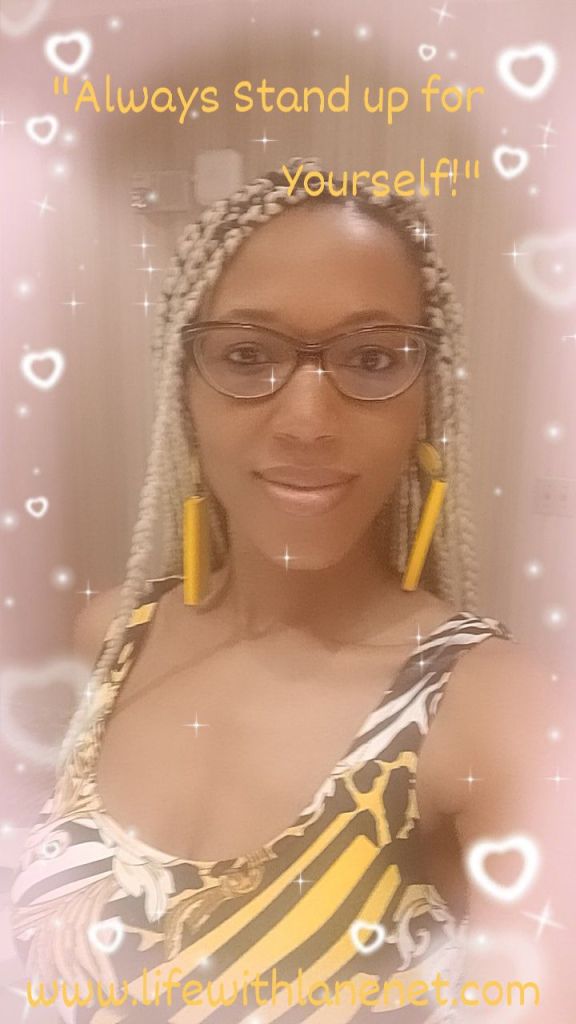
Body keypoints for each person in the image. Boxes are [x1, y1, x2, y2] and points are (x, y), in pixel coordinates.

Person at [9, 157, 558, 1022]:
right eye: (245, 355)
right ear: (185, 393)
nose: (307, 421)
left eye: (372, 358)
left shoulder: (498, 710)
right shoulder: (111, 633)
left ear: (424, 402)